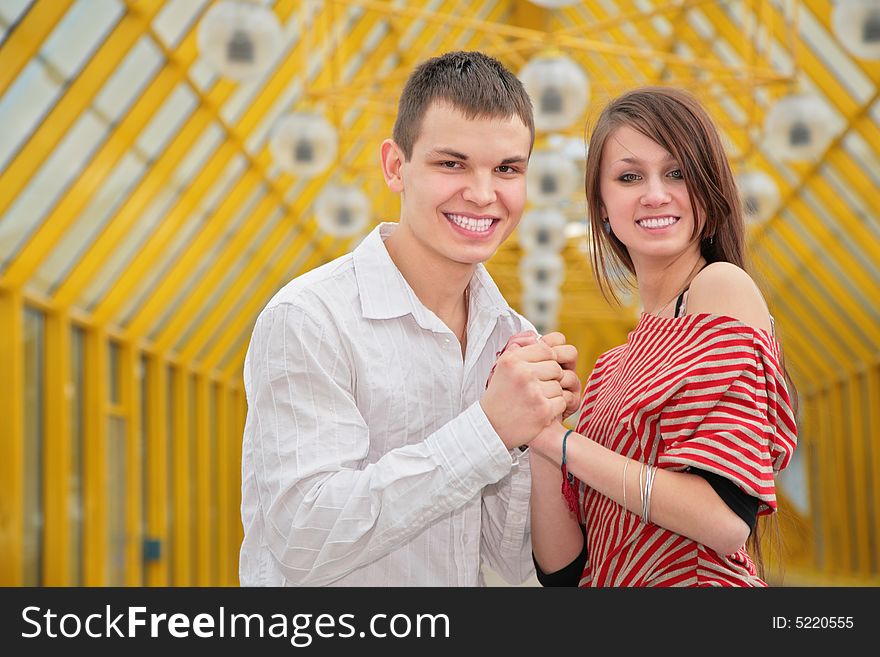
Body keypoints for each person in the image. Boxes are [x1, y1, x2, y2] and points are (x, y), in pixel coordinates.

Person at [238, 50, 581, 586]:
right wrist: (489, 429)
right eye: (453, 163)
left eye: (507, 169)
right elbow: (304, 536)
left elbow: (506, 563)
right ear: (396, 167)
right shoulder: (308, 319)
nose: (484, 193)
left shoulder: (513, 338)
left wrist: (539, 435)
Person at [525, 86, 798, 587]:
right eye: (629, 176)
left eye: (676, 172)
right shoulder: (612, 366)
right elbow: (564, 570)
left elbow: (722, 518)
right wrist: (538, 428)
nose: (655, 193)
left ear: (708, 191)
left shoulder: (719, 288)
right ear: (603, 206)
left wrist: (562, 443)